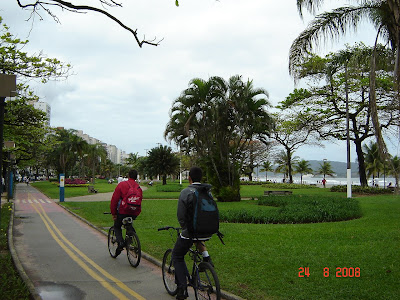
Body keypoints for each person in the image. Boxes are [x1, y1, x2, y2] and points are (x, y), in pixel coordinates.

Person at [172, 166, 214, 300]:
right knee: (197, 237)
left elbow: (181, 215)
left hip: (191, 231)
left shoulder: (186, 191)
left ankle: (182, 288)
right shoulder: (207, 191)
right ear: (201, 178)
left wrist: (184, 227)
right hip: (208, 230)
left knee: (177, 255)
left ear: (189, 178)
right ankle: (206, 257)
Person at [110, 169, 142, 256]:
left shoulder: (122, 185)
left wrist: (113, 213)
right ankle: (130, 239)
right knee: (129, 225)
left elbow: (114, 200)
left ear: (128, 176)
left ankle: (120, 243)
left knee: (117, 226)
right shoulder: (138, 187)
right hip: (134, 212)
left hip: (122, 211)